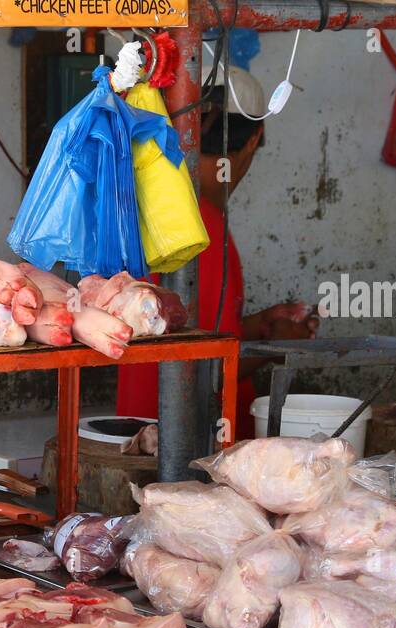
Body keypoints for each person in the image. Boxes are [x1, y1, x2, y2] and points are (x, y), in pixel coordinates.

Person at [117, 65, 318, 440]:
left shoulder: (160, 209)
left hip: (141, 431)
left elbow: (184, 328)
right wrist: (276, 346)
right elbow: (204, 366)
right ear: (253, 139)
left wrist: (258, 326)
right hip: (187, 444)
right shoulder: (199, 227)